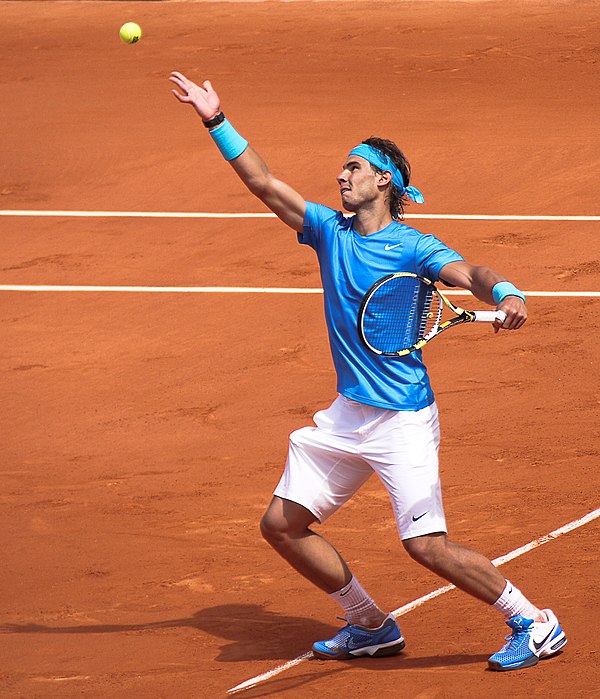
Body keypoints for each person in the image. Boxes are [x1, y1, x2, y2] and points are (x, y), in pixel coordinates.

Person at [169, 71, 567, 672]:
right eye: (342, 168)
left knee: (424, 546)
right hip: (349, 413)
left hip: (402, 419)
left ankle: (534, 623)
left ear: (384, 180)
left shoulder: (414, 247)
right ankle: (370, 624)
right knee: (281, 525)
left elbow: (471, 273)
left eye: (353, 167)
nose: (340, 176)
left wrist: (505, 292)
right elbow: (262, 182)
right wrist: (215, 120)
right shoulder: (327, 231)